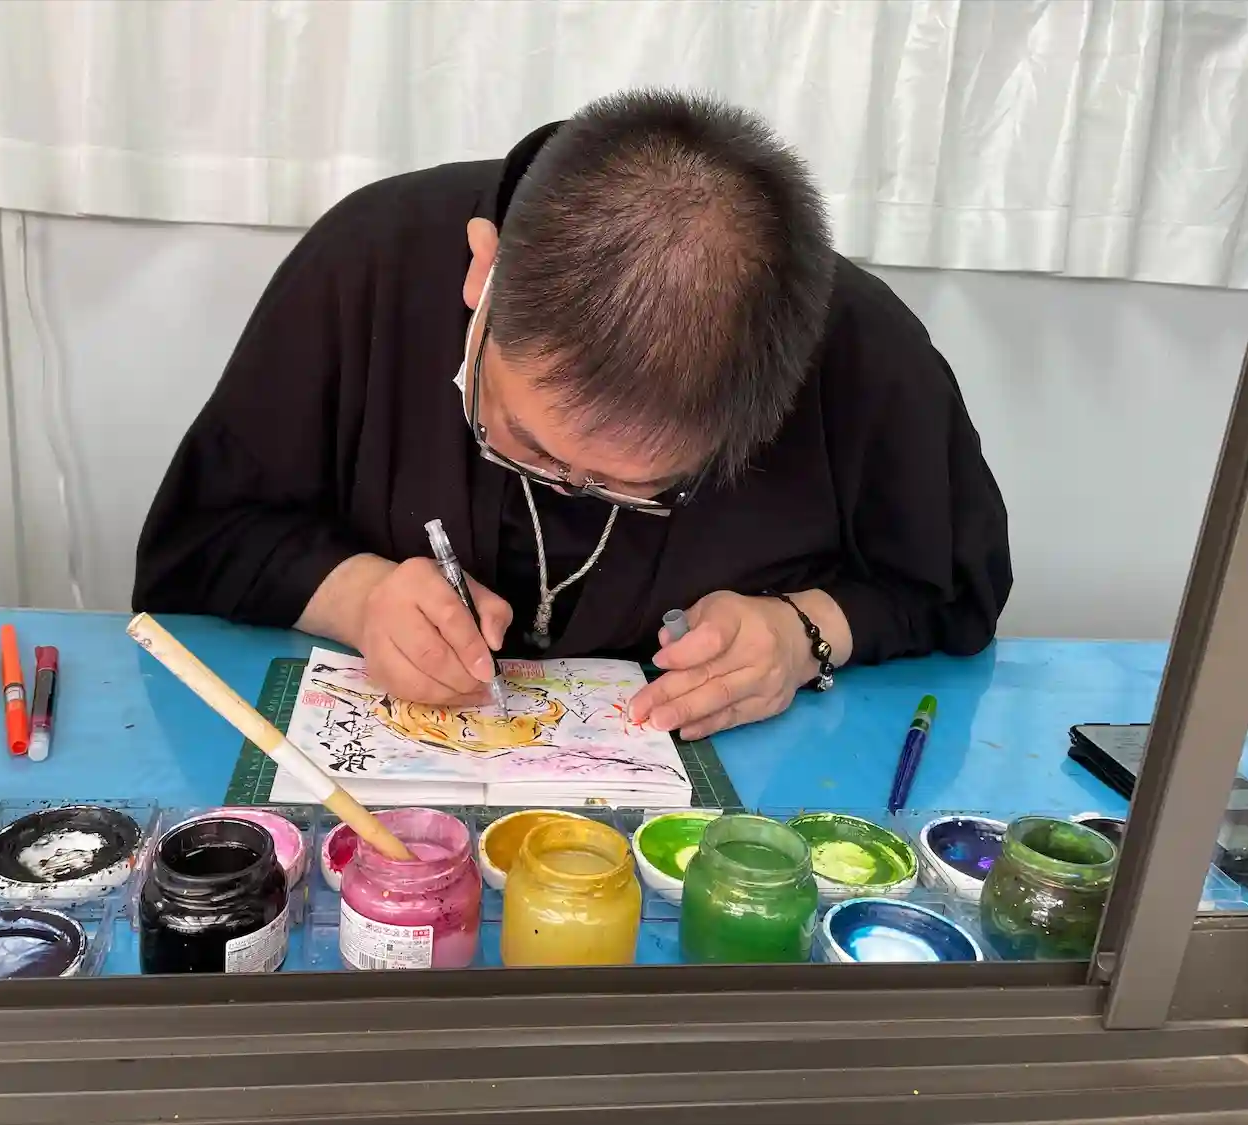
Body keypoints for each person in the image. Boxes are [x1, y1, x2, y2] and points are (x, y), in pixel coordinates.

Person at [134, 90, 1011, 741]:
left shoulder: (861, 353)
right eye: (521, 443)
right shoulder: (368, 261)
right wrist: (360, 599)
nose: (568, 490)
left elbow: (948, 588)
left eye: (637, 486)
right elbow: (205, 540)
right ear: (484, 274)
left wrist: (802, 632)